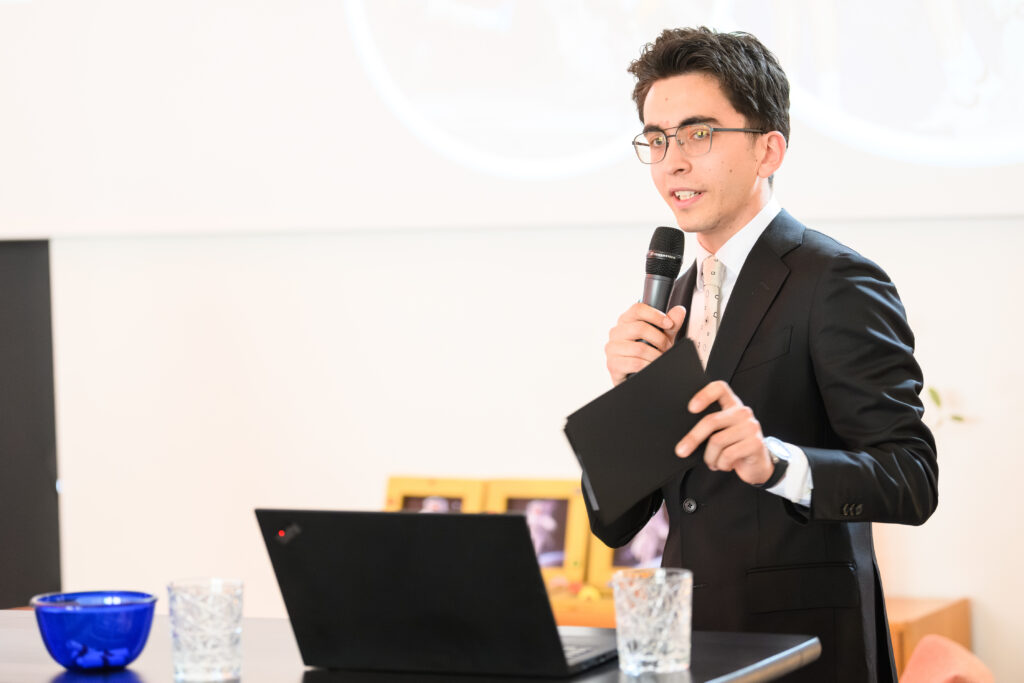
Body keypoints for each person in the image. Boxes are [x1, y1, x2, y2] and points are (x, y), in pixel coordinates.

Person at [587, 27, 938, 683]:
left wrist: (776, 462)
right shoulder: (675, 296)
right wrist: (627, 397)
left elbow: (911, 477)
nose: (671, 162)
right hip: (692, 648)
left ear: (767, 149)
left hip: (806, 652)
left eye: (697, 134)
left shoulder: (836, 280)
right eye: (657, 139)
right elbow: (615, 523)